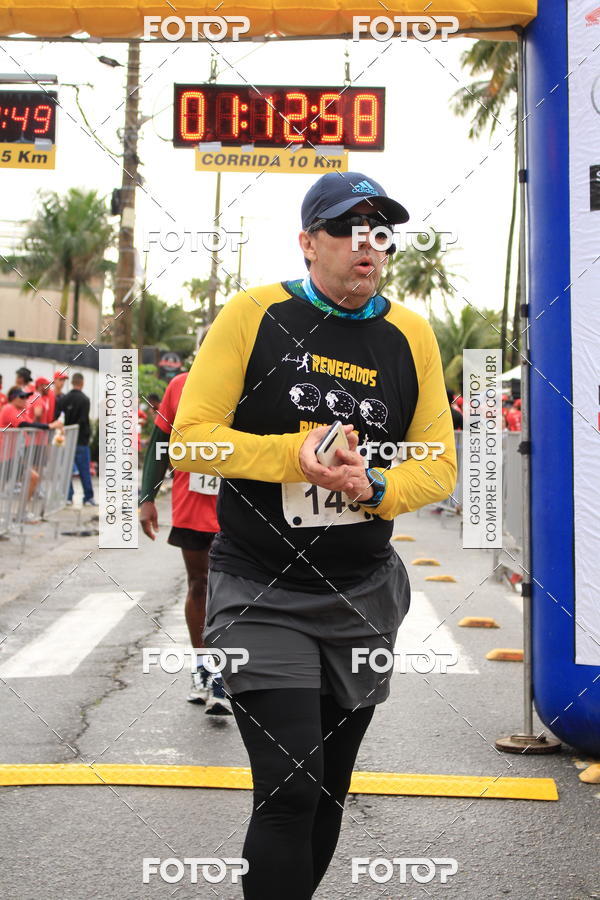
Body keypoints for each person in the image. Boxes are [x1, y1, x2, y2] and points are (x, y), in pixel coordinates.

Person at [170, 171, 457, 899]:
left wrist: (375, 486)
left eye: (380, 231)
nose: (369, 244)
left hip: (359, 596)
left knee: (328, 790)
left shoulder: (411, 334)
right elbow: (192, 440)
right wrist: (289, 456)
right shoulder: (253, 314)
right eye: (348, 229)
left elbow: (441, 465)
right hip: (258, 590)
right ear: (308, 243)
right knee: (291, 787)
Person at [139, 373, 229, 714]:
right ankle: (205, 668)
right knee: (200, 584)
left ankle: (225, 673)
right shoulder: (180, 386)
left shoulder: (254, 380)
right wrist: (147, 497)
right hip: (192, 500)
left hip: (240, 503)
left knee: (234, 588)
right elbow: (159, 443)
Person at [57, 373, 95, 506]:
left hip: (66, 439)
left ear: (72, 382)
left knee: (67, 469)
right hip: (80, 441)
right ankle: (88, 497)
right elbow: (83, 420)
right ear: (82, 383)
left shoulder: (63, 399)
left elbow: (59, 418)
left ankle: (68, 496)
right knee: (84, 470)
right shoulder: (85, 399)